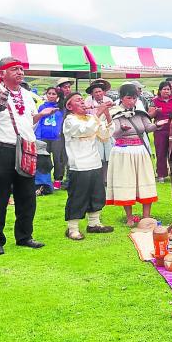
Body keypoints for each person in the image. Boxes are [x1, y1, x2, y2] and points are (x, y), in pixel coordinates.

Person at [0, 57, 47, 255]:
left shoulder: (26, 94)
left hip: (26, 147)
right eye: (14, 69)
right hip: (1, 148)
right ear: (2, 73)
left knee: (27, 196)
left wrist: (41, 116)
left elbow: (28, 120)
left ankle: (24, 236)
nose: (20, 72)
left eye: (22, 69)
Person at [106, 83, 167, 225]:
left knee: (145, 181)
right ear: (121, 98)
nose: (131, 101)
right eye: (128, 98)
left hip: (140, 151)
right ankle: (129, 218)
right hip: (123, 152)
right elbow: (113, 132)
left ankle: (146, 217)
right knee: (127, 182)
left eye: (134, 98)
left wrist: (158, 125)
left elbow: (147, 127)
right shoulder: (115, 114)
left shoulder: (140, 113)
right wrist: (121, 129)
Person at [62, 92, 114, 240]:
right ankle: (72, 228)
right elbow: (85, 130)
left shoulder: (91, 118)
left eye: (82, 100)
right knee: (78, 196)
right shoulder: (70, 120)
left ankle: (94, 223)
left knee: (97, 194)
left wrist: (107, 113)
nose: (83, 103)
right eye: (78, 101)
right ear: (69, 106)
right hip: (79, 165)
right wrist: (98, 112)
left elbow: (105, 135)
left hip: (94, 162)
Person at [34, 87, 64, 190]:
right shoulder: (42, 107)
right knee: (43, 159)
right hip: (43, 137)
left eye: (54, 94)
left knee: (58, 159)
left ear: (58, 96)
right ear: (46, 95)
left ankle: (57, 180)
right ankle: (44, 180)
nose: (51, 96)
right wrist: (38, 136)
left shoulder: (61, 107)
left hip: (57, 138)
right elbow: (38, 121)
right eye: (49, 93)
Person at [84, 79, 114, 181]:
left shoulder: (108, 100)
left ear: (103, 92)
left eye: (100, 91)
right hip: (94, 131)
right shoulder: (88, 101)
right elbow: (87, 114)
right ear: (92, 93)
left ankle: (107, 178)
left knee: (108, 156)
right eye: (96, 92)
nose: (98, 94)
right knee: (98, 156)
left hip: (107, 130)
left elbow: (113, 112)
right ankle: (97, 178)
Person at [151, 80, 172, 182]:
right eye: (164, 89)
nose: (166, 91)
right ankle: (161, 175)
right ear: (160, 90)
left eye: (168, 89)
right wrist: (156, 111)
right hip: (160, 131)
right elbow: (149, 115)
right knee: (161, 152)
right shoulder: (154, 101)